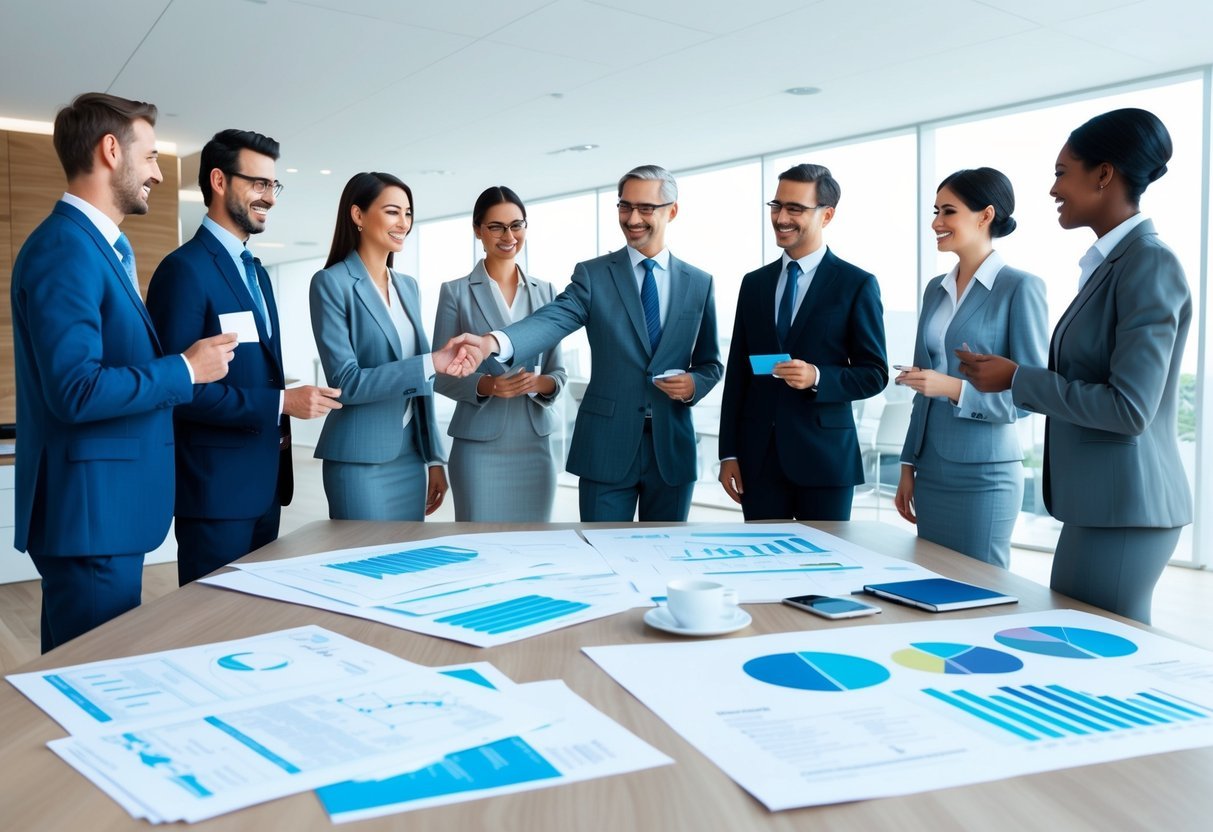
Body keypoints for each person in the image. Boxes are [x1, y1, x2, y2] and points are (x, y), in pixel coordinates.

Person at [10, 92, 236, 651]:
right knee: (91, 674)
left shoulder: (101, 247)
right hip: (92, 514)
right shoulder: (66, 248)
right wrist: (185, 369)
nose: (159, 174)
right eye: (153, 156)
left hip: (102, 511)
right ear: (112, 151)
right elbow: (76, 390)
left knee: (86, 669)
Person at [958, 108, 1191, 623]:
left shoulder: (1147, 262)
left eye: (1063, 172)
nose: (1052, 190)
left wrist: (1017, 378)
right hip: (1099, 505)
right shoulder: (1110, 265)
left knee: (1106, 657)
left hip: (1128, 507)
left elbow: (1129, 408)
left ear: (1104, 174)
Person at [455, 165, 722, 522]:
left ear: (672, 211)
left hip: (671, 449)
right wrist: (493, 342)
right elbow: (552, 319)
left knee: (667, 556)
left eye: (646, 208)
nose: (633, 218)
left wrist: (694, 384)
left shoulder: (699, 283)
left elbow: (710, 363)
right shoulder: (594, 275)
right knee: (602, 557)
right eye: (625, 207)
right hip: (606, 447)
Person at [147, 130, 342, 585]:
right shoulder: (184, 270)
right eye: (258, 183)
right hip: (215, 493)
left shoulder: (255, 272)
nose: (269, 198)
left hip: (265, 487)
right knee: (211, 627)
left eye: (273, 186)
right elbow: (177, 390)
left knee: (253, 622)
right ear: (218, 180)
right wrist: (281, 403)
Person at [893, 168, 1048, 568]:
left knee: (982, 588)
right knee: (930, 583)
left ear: (985, 215)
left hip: (985, 474)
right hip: (930, 470)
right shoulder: (934, 289)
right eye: (935, 211)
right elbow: (921, 387)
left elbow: (1031, 395)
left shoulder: (1020, 288)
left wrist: (953, 388)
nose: (936, 223)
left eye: (948, 212)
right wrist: (908, 463)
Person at [719, 163, 887, 520]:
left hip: (825, 458)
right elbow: (737, 373)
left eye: (795, 208)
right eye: (776, 206)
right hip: (758, 459)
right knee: (761, 569)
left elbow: (874, 373)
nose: (781, 218)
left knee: (825, 568)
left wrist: (818, 376)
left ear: (826, 215)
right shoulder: (754, 284)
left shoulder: (856, 284)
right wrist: (728, 452)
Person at [310, 172, 475, 520]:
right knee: (363, 567)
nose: (404, 223)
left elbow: (422, 387)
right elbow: (347, 382)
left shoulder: (408, 286)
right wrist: (429, 363)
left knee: (406, 566)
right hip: (359, 459)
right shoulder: (331, 283)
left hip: (411, 457)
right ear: (358, 215)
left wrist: (433, 458)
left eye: (408, 213)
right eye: (392, 212)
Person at [432, 186, 567, 521]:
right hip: (479, 446)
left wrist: (540, 383)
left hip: (535, 444)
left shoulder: (547, 292)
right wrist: (488, 386)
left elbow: (559, 373)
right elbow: (439, 374)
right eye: (496, 226)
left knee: (534, 549)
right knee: (480, 546)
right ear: (478, 230)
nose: (508, 236)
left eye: (516, 225)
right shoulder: (455, 293)